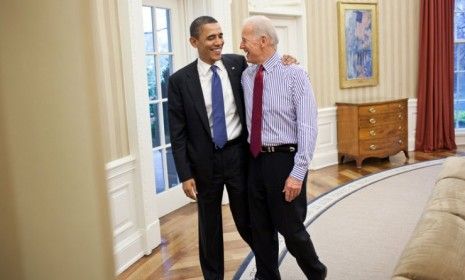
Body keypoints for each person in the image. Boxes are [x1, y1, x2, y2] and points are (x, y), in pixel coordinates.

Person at [168, 16, 296, 279]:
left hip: (239, 157)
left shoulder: (238, 64)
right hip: (204, 164)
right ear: (194, 42)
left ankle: (268, 273)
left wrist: (287, 61)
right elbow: (177, 133)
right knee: (210, 228)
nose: (219, 42)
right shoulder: (180, 81)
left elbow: (267, 61)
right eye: (211, 38)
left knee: (252, 222)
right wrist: (185, 174)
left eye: (220, 35)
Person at [239, 15, 327, 280]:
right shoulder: (246, 75)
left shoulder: (296, 74)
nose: (241, 46)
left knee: (291, 229)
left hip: (284, 162)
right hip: (254, 160)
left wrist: (298, 173)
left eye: (245, 40)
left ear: (263, 40)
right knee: (260, 229)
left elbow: (308, 126)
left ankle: (316, 273)